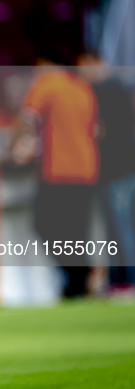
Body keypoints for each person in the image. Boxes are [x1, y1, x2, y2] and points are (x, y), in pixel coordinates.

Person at [13, 63, 100, 297]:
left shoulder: (47, 84)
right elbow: (97, 128)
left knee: (44, 224)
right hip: (87, 168)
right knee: (75, 232)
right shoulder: (82, 87)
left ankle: (79, 276)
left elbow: (27, 117)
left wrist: (17, 147)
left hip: (59, 169)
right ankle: (78, 282)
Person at [76, 52, 135, 290]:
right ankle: (119, 280)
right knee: (117, 227)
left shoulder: (106, 91)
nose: (82, 74)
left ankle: (127, 281)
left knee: (119, 227)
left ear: (94, 63)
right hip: (121, 168)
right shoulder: (120, 88)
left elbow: (100, 130)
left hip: (116, 169)